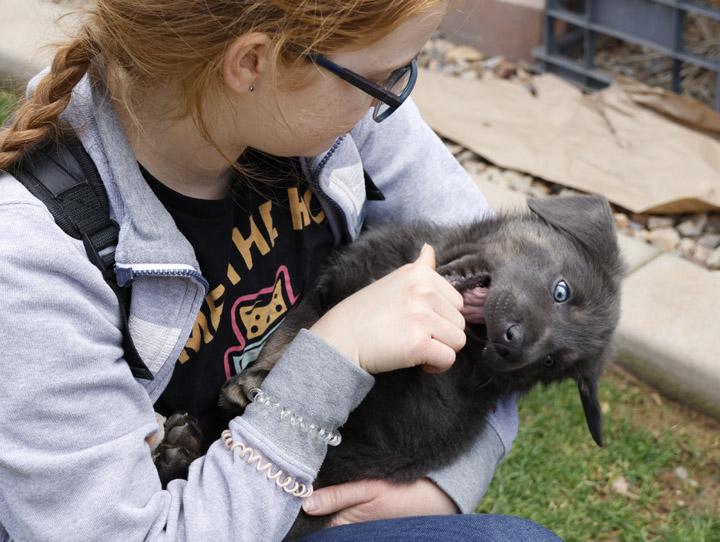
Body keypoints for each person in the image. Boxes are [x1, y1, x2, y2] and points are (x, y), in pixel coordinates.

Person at [0, 0, 561, 540]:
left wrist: (445, 485)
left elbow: (505, 293)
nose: (389, 100)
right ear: (251, 63)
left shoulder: (333, 106)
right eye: (384, 76)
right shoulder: (32, 268)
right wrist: (332, 355)